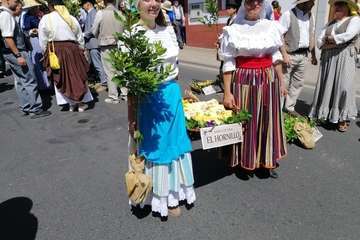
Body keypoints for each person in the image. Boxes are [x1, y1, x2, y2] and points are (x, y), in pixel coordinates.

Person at [128, 0, 196, 219]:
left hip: (171, 94)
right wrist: (131, 116)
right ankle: (160, 197)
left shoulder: (168, 29)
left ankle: (175, 194)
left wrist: (180, 91)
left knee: (176, 143)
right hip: (149, 99)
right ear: (136, 4)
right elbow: (130, 83)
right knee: (157, 147)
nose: (153, 4)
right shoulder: (132, 35)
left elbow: (173, 67)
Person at [220, 0, 287, 177]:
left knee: (268, 118)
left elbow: (275, 56)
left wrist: (281, 81)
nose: (254, 4)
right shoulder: (233, 29)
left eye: (258, 1)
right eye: (250, 1)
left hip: (268, 78)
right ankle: (244, 159)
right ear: (244, 4)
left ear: (263, 4)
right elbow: (228, 62)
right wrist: (227, 93)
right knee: (244, 120)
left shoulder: (271, 27)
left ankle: (266, 160)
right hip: (243, 79)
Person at [309, 0, 360, 132]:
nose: (337, 7)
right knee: (327, 85)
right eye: (336, 5)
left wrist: (330, 39)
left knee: (344, 86)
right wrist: (329, 40)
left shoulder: (354, 20)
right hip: (329, 57)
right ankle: (325, 114)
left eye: (340, 5)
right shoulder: (330, 23)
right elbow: (320, 40)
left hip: (345, 57)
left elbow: (348, 36)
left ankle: (343, 117)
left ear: (347, 8)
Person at [38, 0, 93, 112]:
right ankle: (81, 103)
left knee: (61, 76)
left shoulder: (46, 19)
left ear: (50, 5)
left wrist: (45, 52)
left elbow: (42, 39)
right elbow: (79, 36)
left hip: (55, 51)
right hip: (73, 50)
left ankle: (71, 103)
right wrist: (81, 49)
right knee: (77, 74)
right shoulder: (71, 18)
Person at [0, 0, 51, 118]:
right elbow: (8, 38)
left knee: (21, 80)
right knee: (29, 79)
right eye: (16, 1)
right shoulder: (5, 15)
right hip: (17, 52)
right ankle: (35, 108)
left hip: (11, 52)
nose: (18, 3)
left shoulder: (4, 14)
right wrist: (18, 55)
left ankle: (27, 106)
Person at [279, 0, 317, 116]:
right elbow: (279, 35)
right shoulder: (288, 14)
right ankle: (278, 108)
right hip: (290, 54)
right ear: (303, 3)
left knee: (298, 83)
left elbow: (312, 35)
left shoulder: (311, 16)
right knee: (284, 83)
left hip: (304, 55)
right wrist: (284, 54)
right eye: (311, 2)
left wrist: (314, 55)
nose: (313, 4)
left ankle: (289, 107)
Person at [92, 0, 126, 103]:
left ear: (105, 2)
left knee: (109, 71)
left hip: (105, 44)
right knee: (121, 69)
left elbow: (94, 30)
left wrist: (100, 37)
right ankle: (125, 93)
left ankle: (113, 96)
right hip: (120, 44)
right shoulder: (120, 14)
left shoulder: (100, 13)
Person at [21, 0, 52, 91]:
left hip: (39, 39)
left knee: (43, 62)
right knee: (38, 63)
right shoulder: (28, 17)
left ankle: (46, 84)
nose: (37, 8)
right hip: (35, 41)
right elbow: (25, 30)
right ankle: (44, 85)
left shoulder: (36, 15)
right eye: (35, 7)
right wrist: (32, 31)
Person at [81, 0, 107, 92]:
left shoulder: (93, 13)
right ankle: (102, 81)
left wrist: (84, 34)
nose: (82, 6)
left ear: (88, 4)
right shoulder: (91, 13)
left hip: (94, 43)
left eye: (83, 4)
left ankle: (104, 82)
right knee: (96, 64)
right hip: (92, 43)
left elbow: (93, 29)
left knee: (98, 64)